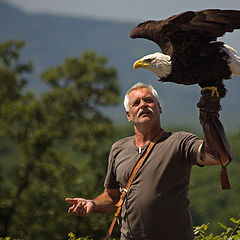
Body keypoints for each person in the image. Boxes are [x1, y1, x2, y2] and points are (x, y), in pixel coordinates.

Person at [66, 82, 231, 240]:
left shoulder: (180, 141)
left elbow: (217, 156)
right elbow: (112, 197)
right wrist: (92, 203)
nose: (143, 105)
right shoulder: (118, 149)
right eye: (136, 103)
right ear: (128, 116)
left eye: (149, 100)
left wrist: (209, 120)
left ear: (159, 108)